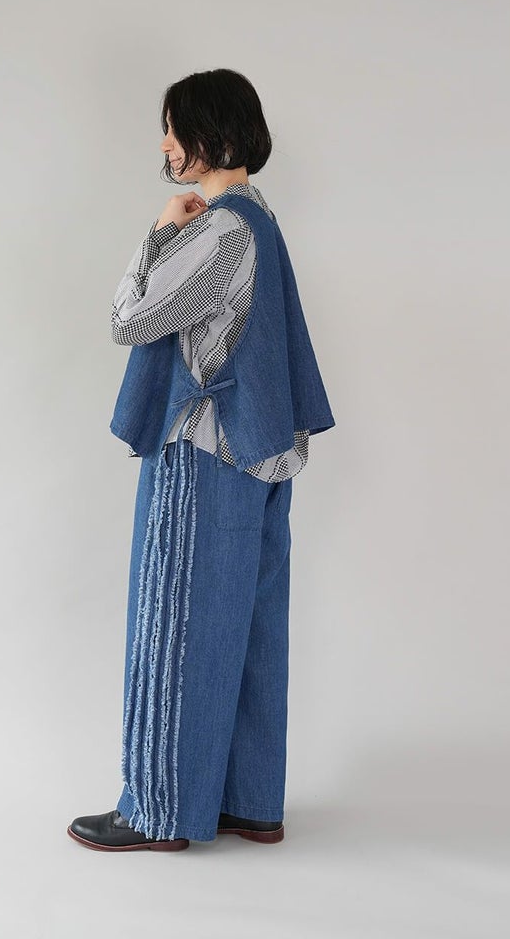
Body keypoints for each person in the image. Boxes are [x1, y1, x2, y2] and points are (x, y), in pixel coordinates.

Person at [67, 68, 334, 852]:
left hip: (203, 452)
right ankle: (248, 801)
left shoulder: (219, 232)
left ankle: (156, 810)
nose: (165, 145)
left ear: (209, 136)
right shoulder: (262, 219)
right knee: (246, 630)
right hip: (261, 450)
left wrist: (157, 232)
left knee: (175, 627)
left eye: (174, 129)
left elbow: (129, 318)